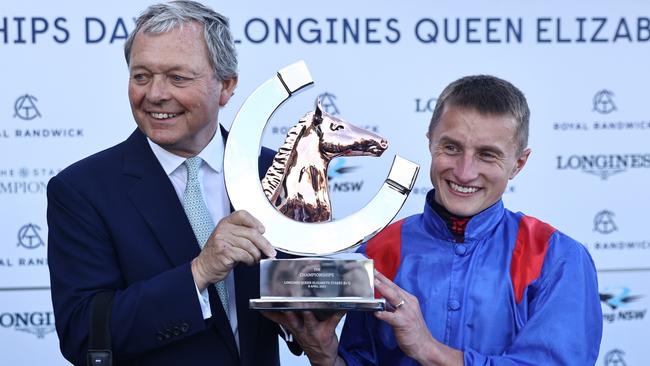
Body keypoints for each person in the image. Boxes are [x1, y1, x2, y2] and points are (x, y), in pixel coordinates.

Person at [265, 75, 603, 365]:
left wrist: (429, 350)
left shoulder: (557, 258)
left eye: (487, 155)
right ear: (430, 142)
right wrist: (324, 354)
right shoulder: (380, 249)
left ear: (518, 163)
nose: (465, 172)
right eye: (451, 148)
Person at [46, 1, 293, 365]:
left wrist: (313, 325)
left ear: (226, 86)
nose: (155, 94)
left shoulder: (275, 172)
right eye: (141, 76)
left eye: (178, 77)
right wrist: (199, 272)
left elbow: (300, 297)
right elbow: (83, 333)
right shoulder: (82, 190)